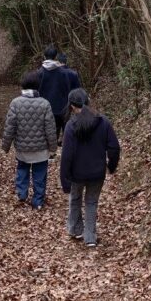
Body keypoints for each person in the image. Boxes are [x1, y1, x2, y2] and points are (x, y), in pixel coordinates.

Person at [60, 88, 120, 247]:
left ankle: (75, 230)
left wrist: (64, 179)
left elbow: (66, 156)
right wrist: (111, 166)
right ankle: (90, 237)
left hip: (76, 174)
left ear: (72, 106)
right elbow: (114, 147)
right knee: (91, 202)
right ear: (88, 101)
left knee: (75, 198)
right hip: (97, 173)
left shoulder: (71, 126)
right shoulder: (103, 122)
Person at [2, 71, 57, 209]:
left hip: (22, 148)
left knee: (22, 171)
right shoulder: (45, 104)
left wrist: (5, 146)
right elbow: (50, 129)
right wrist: (53, 148)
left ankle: (21, 194)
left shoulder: (15, 103)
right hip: (41, 149)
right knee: (40, 175)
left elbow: (10, 127)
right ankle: (38, 201)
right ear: (38, 85)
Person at [38, 46, 73, 142]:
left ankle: (51, 150)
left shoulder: (40, 73)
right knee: (63, 132)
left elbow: (37, 92)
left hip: (44, 109)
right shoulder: (63, 72)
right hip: (61, 108)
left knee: (47, 137)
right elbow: (68, 89)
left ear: (44, 56)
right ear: (55, 57)